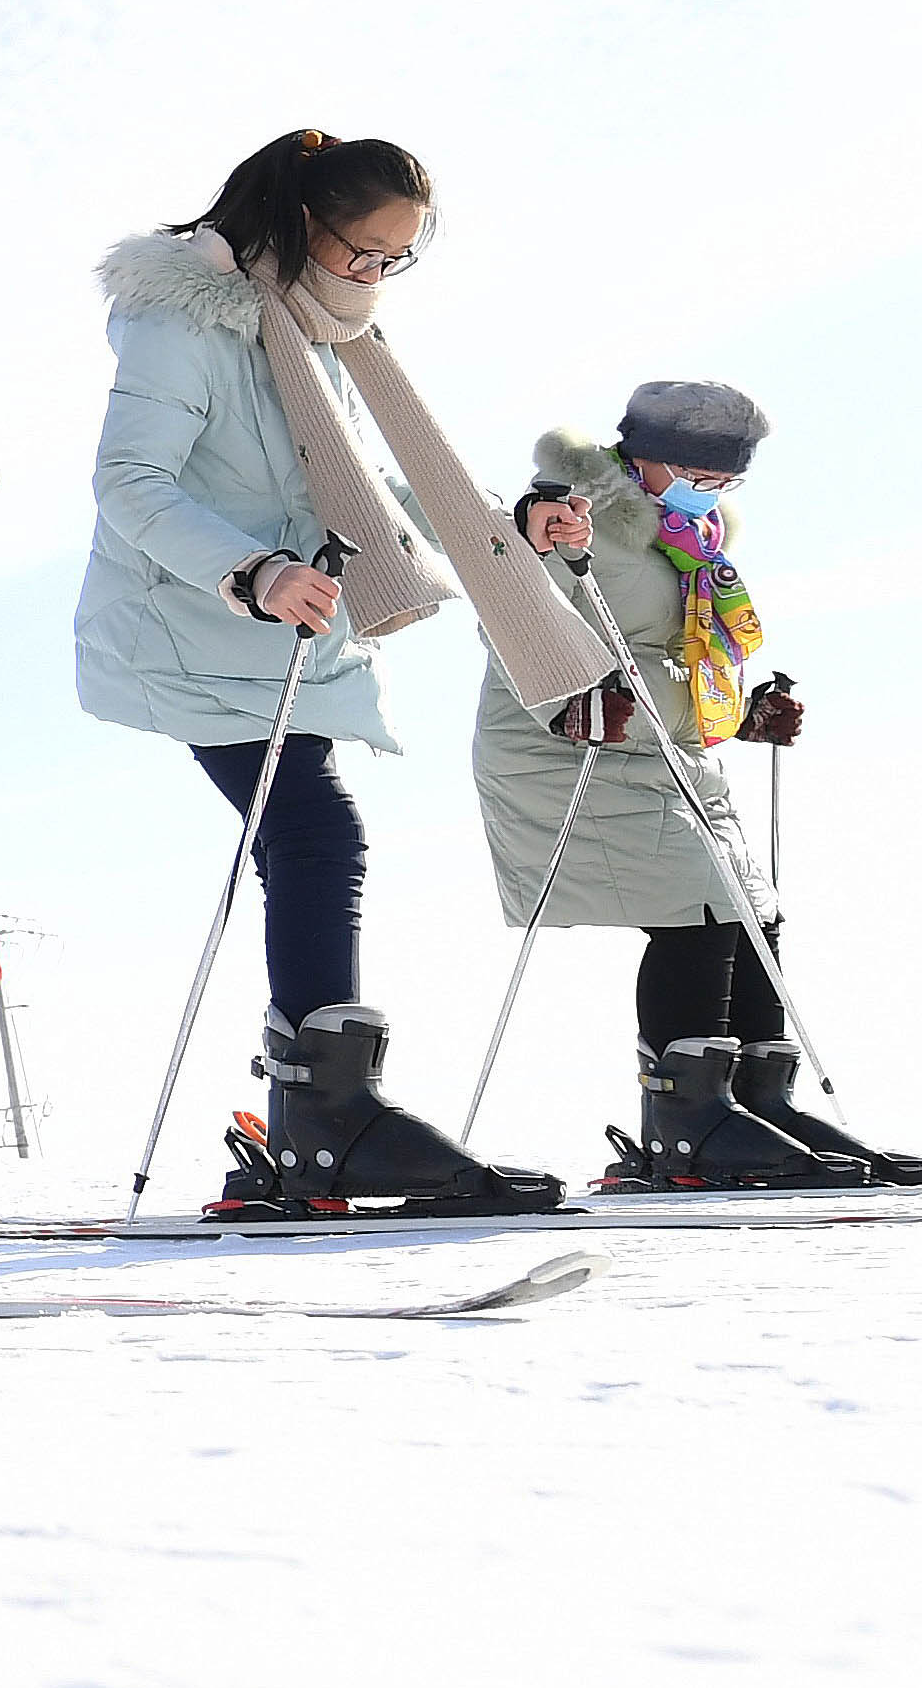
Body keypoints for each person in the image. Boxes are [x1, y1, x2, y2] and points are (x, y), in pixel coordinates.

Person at [79, 134, 614, 1216]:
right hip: (198, 629)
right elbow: (129, 484)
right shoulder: (187, 321)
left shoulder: (319, 336)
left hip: (295, 637)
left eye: (394, 260)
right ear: (299, 224)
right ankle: (328, 1120)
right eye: (361, 252)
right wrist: (251, 571)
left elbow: (358, 490)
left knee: (313, 840)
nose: (373, 275)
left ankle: (319, 1122)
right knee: (318, 836)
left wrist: (508, 525)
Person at [478, 382, 922, 1187]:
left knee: (753, 911)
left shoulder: (691, 540)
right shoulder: (572, 514)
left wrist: (743, 716)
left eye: (725, 479)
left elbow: (679, 657)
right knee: (698, 905)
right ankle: (689, 1127)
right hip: (570, 745)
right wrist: (565, 700)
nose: (709, 490)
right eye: (694, 473)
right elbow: (510, 617)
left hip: (665, 750)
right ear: (640, 454)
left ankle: (756, 1102)